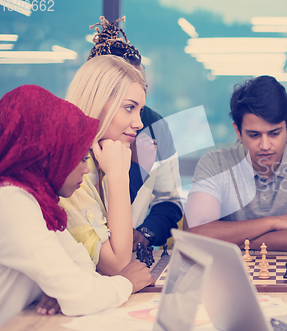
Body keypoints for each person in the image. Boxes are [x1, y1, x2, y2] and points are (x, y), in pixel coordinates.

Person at [0, 85, 153, 325]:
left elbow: (82, 271)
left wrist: (71, 289)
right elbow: (80, 294)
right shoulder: (12, 202)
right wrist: (126, 282)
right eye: (80, 158)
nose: (86, 168)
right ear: (48, 155)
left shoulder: (39, 200)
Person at [184, 76, 287, 251]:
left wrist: (243, 241)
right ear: (237, 131)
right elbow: (193, 235)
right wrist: (271, 223)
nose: (265, 145)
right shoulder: (214, 163)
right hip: (228, 275)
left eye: (274, 133)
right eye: (254, 135)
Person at [87, 16, 182, 250]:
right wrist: (136, 171)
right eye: (128, 104)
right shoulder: (71, 143)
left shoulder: (155, 127)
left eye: (143, 86)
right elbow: (92, 227)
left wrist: (144, 235)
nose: (137, 122)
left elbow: (170, 202)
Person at [59, 55, 146, 276]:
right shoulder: (68, 169)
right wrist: (119, 177)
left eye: (140, 111)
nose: (139, 123)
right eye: (129, 108)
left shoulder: (101, 160)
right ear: (97, 102)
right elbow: (117, 265)